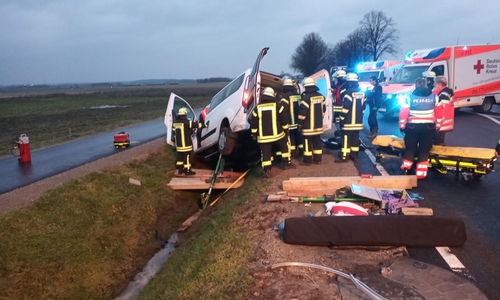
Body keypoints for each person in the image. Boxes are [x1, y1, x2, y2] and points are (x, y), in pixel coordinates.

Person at [399, 78, 443, 179]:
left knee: (410, 147)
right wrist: (438, 126)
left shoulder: (409, 97)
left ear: (416, 85)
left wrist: (402, 126)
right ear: (426, 85)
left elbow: (404, 113)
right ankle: (421, 173)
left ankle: (406, 168)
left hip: (412, 126)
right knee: (424, 149)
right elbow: (439, 113)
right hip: (429, 127)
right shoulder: (435, 97)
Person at [250, 87, 293, 178]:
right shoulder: (278, 105)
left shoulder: (257, 108)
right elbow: (283, 119)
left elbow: (254, 122)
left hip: (263, 138)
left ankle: (267, 171)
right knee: (284, 147)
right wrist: (286, 129)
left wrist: (254, 134)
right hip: (278, 135)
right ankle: (286, 164)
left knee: (265, 154)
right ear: (272, 95)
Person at [337, 73, 366, 162]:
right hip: (358, 122)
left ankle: (345, 156)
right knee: (355, 139)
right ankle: (354, 156)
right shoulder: (362, 93)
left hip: (348, 122)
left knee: (346, 138)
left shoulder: (348, 93)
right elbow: (363, 107)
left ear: (349, 82)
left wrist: (341, 118)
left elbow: (346, 107)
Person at [298, 77, 326, 165]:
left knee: (307, 143)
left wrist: (299, 124)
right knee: (317, 142)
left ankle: (308, 160)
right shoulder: (321, 96)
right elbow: (323, 110)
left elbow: (303, 113)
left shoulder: (305, 98)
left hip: (307, 126)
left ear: (306, 87)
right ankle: (318, 160)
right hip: (318, 125)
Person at [172, 107, 207, 175]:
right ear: (184, 115)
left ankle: (180, 170)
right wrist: (205, 125)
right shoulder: (188, 122)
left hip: (179, 145)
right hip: (186, 145)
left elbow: (174, 133)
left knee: (180, 158)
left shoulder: (175, 123)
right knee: (187, 158)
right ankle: (188, 171)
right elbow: (197, 125)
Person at [280, 78, 304, 157]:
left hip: (290, 121)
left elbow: (283, 110)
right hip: (299, 120)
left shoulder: (285, 96)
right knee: (299, 135)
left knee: (291, 136)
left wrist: (283, 122)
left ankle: (293, 153)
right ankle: (301, 151)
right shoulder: (298, 95)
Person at [433, 75, 454, 145]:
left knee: (438, 141)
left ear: (439, 84)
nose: (434, 85)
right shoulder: (446, 92)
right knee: (440, 139)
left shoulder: (443, 94)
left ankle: (439, 153)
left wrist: (439, 122)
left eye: (435, 83)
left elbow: (443, 109)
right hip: (443, 121)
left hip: (441, 121)